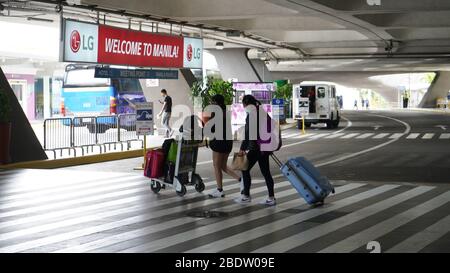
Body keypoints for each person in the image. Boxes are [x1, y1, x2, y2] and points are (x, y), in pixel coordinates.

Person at [236, 95, 276, 206]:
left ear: (245, 104)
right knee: (266, 172)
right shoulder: (261, 111)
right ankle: (271, 197)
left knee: (244, 169)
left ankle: (246, 196)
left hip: (256, 147)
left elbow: (249, 133)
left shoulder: (251, 114)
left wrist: (243, 148)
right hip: (265, 146)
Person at [207, 94, 241, 198]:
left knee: (216, 166)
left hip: (219, 142)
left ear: (216, 103)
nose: (211, 104)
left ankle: (219, 190)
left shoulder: (216, 113)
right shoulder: (226, 112)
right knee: (223, 165)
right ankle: (241, 180)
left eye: (212, 102)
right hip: (227, 142)